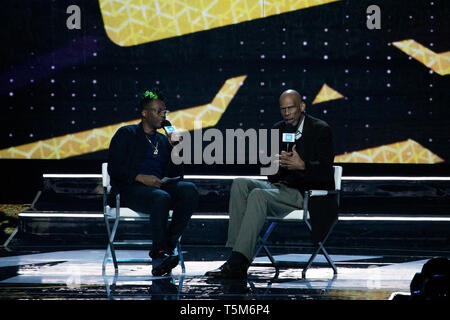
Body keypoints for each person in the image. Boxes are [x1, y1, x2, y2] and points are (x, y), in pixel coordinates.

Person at [205, 89, 335, 279]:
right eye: (283, 109)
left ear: (302, 107)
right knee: (240, 183)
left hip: (304, 193)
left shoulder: (320, 129)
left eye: (291, 108)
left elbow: (326, 174)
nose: (287, 113)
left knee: (258, 194)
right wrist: (273, 163)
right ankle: (234, 254)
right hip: (280, 188)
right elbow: (270, 176)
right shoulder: (278, 129)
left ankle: (239, 262)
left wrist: (302, 165)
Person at [108, 89, 199, 276]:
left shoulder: (163, 140)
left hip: (159, 187)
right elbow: (115, 167)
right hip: (132, 189)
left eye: (164, 112)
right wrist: (140, 177)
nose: (163, 115)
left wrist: (176, 151)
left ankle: (167, 247)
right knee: (161, 197)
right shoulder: (127, 133)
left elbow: (176, 174)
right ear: (144, 113)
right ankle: (159, 257)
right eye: (158, 111)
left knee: (189, 189)